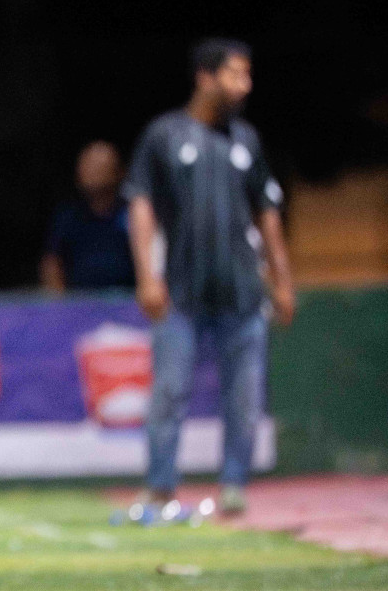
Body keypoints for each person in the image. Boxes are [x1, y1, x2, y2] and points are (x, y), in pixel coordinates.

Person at [125, 38, 295, 516]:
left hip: (242, 295)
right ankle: (160, 486)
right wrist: (146, 275)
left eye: (247, 74)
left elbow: (268, 213)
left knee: (244, 398)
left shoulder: (247, 140)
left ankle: (234, 486)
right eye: (235, 74)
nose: (245, 84)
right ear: (205, 76)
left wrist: (282, 280)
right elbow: (141, 206)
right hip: (181, 292)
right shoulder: (164, 135)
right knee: (169, 392)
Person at [40, 140, 136, 292]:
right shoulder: (68, 217)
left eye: (98, 166)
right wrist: (57, 305)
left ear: (120, 172)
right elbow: (52, 262)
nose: (90, 171)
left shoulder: (134, 215)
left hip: (128, 302)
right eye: (86, 165)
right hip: (79, 305)